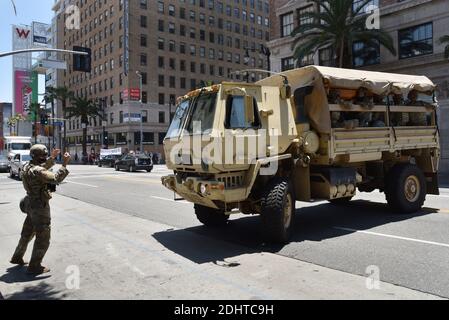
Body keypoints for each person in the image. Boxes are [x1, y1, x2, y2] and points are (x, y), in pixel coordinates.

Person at [10, 145, 71, 275]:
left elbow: (41, 168)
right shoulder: (38, 171)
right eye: (43, 156)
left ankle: (17, 257)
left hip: (30, 203)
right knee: (43, 235)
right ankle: (35, 266)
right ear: (38, 157)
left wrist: (52, 157)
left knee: (27, 233)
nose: (44, 158)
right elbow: (56, 178)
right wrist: (64, 164)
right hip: (39, 206)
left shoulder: (28, 166)